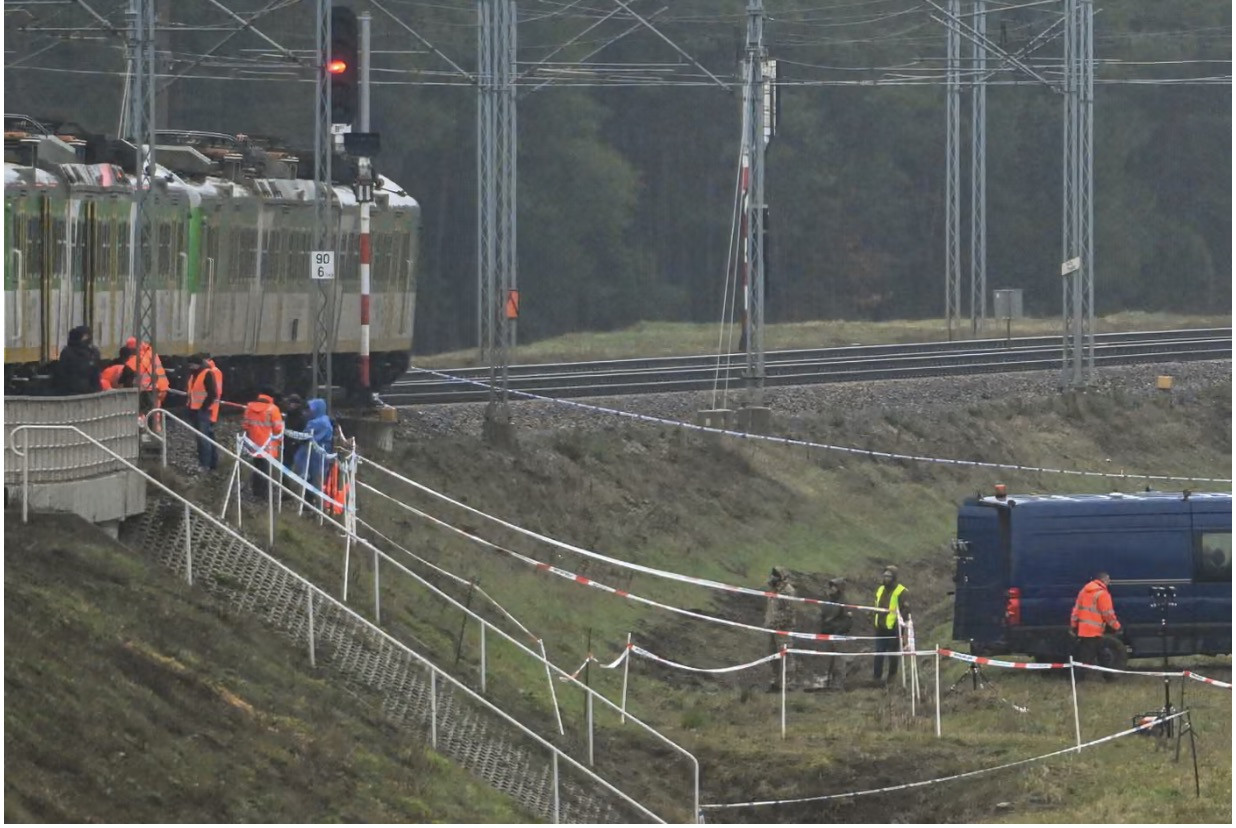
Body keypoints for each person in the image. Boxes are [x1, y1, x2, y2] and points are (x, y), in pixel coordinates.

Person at [1070, 571, 1121, 679]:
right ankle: (1080, 679)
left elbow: (1076, 611)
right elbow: (1108, 614)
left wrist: (1073, 625)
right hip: (1095, 631)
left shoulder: (1083, 591)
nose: (1109, 582)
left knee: (1093, 655)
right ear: (1103, 580)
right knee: (1094, 656)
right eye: (1108, 580)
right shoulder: (1102, 594)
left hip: (1084, 630)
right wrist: (1117, 626)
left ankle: (1108, 677)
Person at [242, 387, 283, 498]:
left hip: (253, 444)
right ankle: (264, 495)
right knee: (266, 470)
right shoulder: (273, 409)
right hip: (268, 445)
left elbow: (245, 425)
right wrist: (280, 441)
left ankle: (256, 491)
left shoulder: (249, 407)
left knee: (257, 467)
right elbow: (278, 428)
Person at [872, 565, 910, 686]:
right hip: (880, 628)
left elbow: (906, 610)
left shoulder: (902, 591)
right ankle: (876, 678)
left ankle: (891, 679)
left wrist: (899, 625)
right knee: (878, 653)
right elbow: (876, 605)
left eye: (889, 576)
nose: (886, 578)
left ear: (894, 577)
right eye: (885, 576)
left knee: (893, 655)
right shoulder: (880, 589)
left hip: (894, 629)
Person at [184, 353, 220, 472]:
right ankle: (211, 464)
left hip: (202, 411)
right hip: (196, 410)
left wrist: (204, 407)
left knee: (203, 439)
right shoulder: (194, 374)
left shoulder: (206, 374)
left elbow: (212, 393)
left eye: (191, 365)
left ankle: (205, 464)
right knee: (206, 437)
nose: (189, 367)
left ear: (196, 364)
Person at [764, 566, 797, 692]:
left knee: (786, 655)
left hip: (783, 629)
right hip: (771, 628)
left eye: (775, 576)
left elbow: (789, 613)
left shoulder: (788, 592)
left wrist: (776, 623)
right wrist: (768, 623)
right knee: (773, 655)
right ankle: (776, 682)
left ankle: (788, 684)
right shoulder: (773, 590)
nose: (773, 578)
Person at [817, 578, 853, 690]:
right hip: (828, 634)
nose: (831, 589)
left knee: (839, 661)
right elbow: (823, 617)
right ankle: (828, 682)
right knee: (829, 660)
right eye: (831, 586)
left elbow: (848, 621)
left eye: (834, 586)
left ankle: (838, 685)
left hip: (839, 635)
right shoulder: (828, 601)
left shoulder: (844, 602)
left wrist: (838, 632)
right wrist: (823, 629)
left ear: (839, 589)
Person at [293, 397, 335, 490]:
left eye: (309, 409)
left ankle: (315, 502)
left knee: (315, 483)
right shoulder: (325, 419)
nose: (307, 412)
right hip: (319, 455)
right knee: (317, 481)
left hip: (315, 456)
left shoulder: (316, 423)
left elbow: (304, 436)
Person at [52, 325, 101, 395]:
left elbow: (61, 374)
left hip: (72, 391)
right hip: (85, 391)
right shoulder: (93, 352)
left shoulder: (67, 351)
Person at [281, 393, 308, 470]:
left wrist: (296, 442)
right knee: (285, 466)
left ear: (297, 405)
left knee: (295, 468)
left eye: (291, 403)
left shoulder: (302, 417)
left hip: (297, 447)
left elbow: (304, 432)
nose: (289, 405)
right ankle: (284, 481)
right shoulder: (288, 416)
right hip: (286, 445)